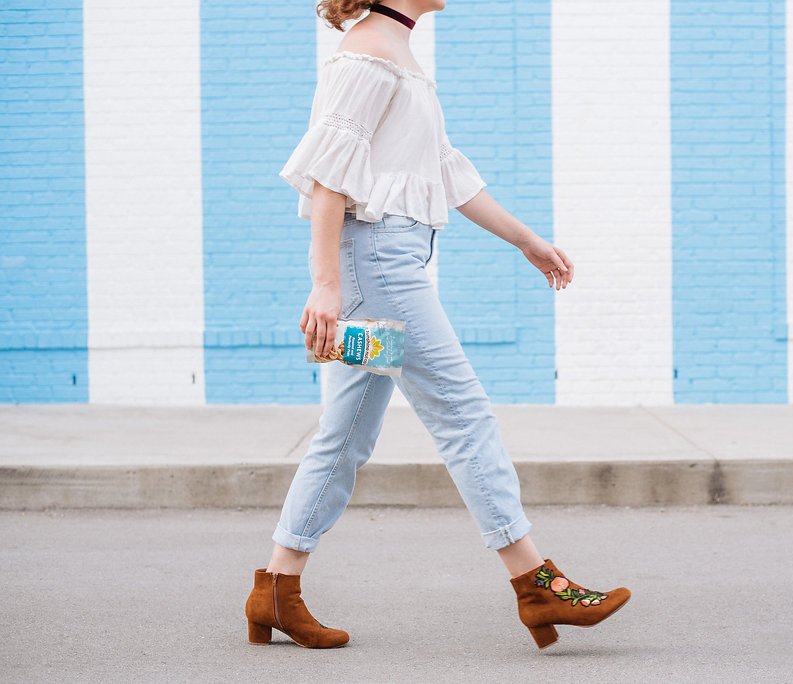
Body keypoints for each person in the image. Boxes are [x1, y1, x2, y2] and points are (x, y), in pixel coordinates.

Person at [244, 0, 631, 650]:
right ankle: (536, 587)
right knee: (463, 411)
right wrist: (327, 286)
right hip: (380, 272)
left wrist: (526, 241)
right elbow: (329, 181)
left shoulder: (399, 52)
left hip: (385, 267)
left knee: (345, 433)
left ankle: (276, 590)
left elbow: (445, 169)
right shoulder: (366, 55)